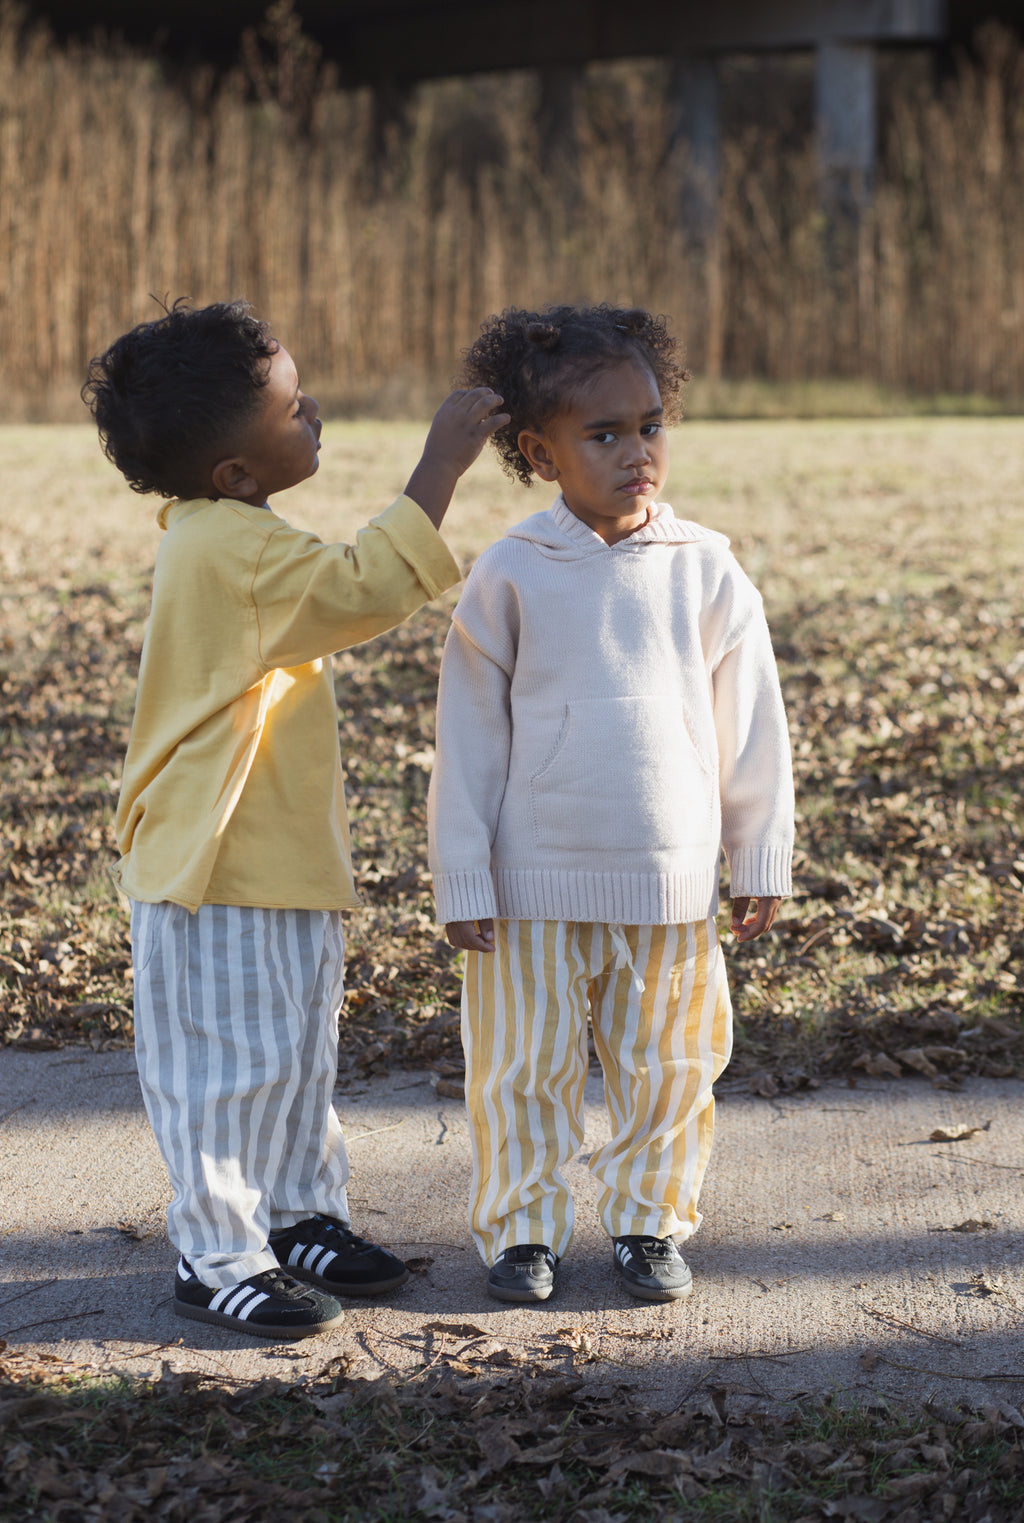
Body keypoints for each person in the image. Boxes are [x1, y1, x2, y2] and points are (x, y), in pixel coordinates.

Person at [82, 298, 507, 1340]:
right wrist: (440, 466)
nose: (311, 409)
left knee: (293, 1057)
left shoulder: (234, 529)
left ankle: (297, 1215)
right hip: (213, 868)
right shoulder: (228, 547)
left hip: (273, 863)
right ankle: (216, 1252)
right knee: (224, 1072)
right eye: (289, 405)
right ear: (233, 470)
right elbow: (364, 588)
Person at [427, 303, 794, 1305]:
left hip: (669, 882)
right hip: (528, 884)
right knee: (518, 1072)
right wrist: (461, 872)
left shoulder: (706, 569)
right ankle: (521, 1230)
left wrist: (757, 857)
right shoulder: (508, 572)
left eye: (649, 426)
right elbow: (468, 737)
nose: (636, 451)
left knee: (672, 1065)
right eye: (603, 434)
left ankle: (648, 1220)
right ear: (541, 452)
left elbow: (750, 725)